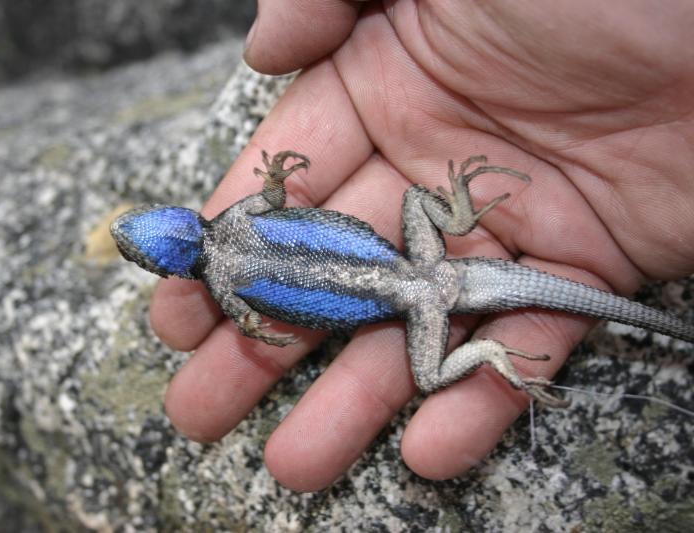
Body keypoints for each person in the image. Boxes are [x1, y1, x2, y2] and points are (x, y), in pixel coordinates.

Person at [149, 0, 694, 491]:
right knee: (414, 198)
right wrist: (272, 179)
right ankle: (456, 222)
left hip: (420, 301)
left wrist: (248, 322)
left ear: (169, 267)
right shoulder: (235, 216)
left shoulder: (224, 288)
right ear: (181, 219)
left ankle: (488, 352)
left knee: (431, 376)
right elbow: (270, 196)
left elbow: (250, 318)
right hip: (423, 269)